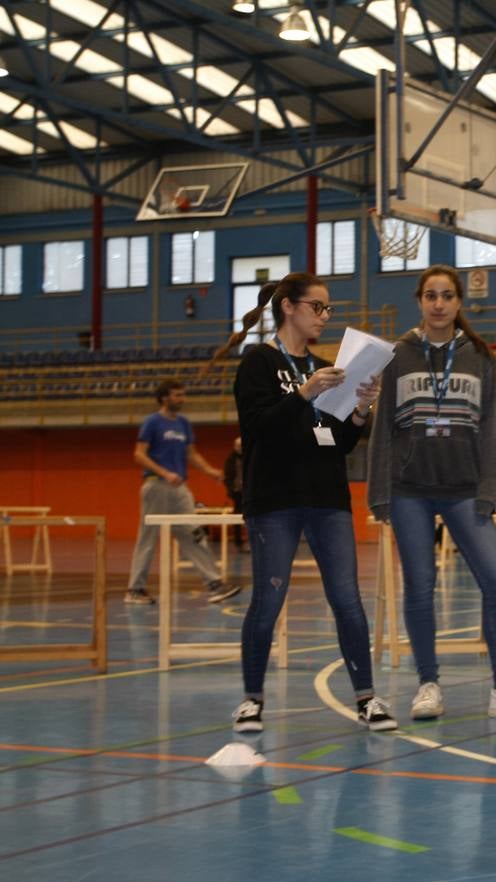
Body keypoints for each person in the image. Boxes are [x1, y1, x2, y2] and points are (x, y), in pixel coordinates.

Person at [367, 265, 496, 722]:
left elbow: (491, 429)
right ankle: (428, 684)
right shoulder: (397, 355)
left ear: (458, 303)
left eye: (446, 295)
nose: (438, 303)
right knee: (420, 588)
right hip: (409, 490)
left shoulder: (478, 356)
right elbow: (383, 430)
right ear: (419, 301)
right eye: (430, 295)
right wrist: (379, 492)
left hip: (465, 491)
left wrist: (489, 488)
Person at [221, 273, 396, 733]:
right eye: (317, 307)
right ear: (288, 308)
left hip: (327, 497)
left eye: (327, 309)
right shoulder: (257, 363)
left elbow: (338, 441)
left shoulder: (323, 366)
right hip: (274, 499)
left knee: (347, 599)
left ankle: (367, 699)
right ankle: (251, 700)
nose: (323, 316)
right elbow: (258, 428)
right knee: (269, 598)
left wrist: (360, 410)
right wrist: (305, 392)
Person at [123, 379, 240, 606]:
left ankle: (214, 584)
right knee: (148, 537)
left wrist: (211, 472)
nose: (182, 399)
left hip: (180, 489)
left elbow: (192, 454)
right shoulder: (152, 423)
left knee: (194, 533)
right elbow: (139, 454)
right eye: (177, 395)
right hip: (156, 485)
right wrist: (164, 473)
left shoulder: (184, 424)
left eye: (182, 394)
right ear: (165, 397)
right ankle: (135, 589)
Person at [223, 436, 246, 550]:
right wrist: (231, 490)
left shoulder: (249, 457)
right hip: (237, 493)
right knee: (237, 517)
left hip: (249, 493)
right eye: (238, 446)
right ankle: (238, 542)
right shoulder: (231, 459)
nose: (240, 448)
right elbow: (227, 477)